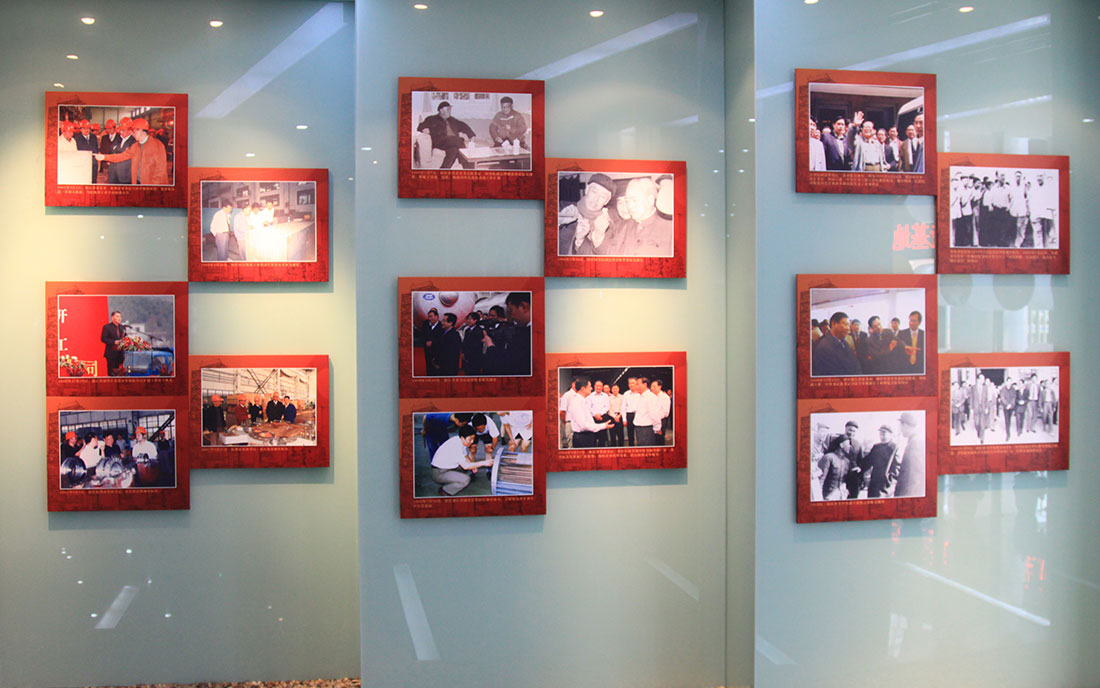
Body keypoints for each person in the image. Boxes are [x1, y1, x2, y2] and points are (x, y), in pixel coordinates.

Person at [94, 117, 168, 185]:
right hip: (137, 182)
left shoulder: (157, 145)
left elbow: (160, 170)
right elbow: (121, 156)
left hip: (150, 184)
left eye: (135, 131)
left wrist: (152, 187)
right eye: (133, 131)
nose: (133, 133)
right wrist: (104, 157)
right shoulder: (135, 146)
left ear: (142, 131)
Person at [558, 173, 614, 256]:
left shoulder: (606, 226)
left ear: (606, 201)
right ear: (587, 189)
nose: (596, 199)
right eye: (594, 192)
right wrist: (558, 223)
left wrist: (580, 240)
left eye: (602, 197)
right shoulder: (562, 207)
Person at [430, 425, 494, 496]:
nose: (472, 441)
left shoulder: (459, 440)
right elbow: (465, 466)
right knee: (466, 479)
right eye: (470, 439)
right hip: (439, 473)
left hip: (446, 468)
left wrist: (472, 465)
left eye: (473, 439)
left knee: (467, 468)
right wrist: (484, 463)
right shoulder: (456, 446)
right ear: (462, 438)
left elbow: (465, 455)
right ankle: (445, 490)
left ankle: (453, 479)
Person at [620, 177, 673, 256]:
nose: (629, 206)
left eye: (634, 200)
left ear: (650, 200)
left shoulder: (670, 229)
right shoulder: (623, 227)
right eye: (627, 201)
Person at [416, 101, 476, 170]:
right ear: (441, 110)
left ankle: (443, 170)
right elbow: (420, 126)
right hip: (440, 141)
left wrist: (471, 136)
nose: (450, 111)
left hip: (452, 143)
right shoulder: (431, 119)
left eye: (450, 109)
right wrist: (424, 129)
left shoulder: (453, 120)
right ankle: (469, 167)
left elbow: (464, 126)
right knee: (459, 140)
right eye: (448, 109)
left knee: (453, 150)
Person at [483, 292, 531, 376]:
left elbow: (509, 361)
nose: (511, 316)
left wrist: (490, 345)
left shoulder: (518, 333)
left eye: (511, 311)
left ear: (523, 307)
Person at [566, 377, 614, 448]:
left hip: (587, 435)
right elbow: (584, 426)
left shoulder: (582, 401)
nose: (591, 388)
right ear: (583, 389)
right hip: (582, 438)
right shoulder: (577, 403)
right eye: (590, 386)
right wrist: (603, 426)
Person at [811, 312, 860, 376]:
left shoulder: (844, 342)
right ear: (834, 323)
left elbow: (855, 363)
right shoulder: (823, 347)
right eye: (845, 324)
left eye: (848, 325)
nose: (848, 328)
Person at [894, 412, 924, 497]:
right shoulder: (914, 441)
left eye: (901, 426)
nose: (900, 430)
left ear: (905, 425)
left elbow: (913, 476)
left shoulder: (915, 443)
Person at [864, 425, 899, 498]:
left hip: (885, 484)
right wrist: (860, 467)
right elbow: (868, 461)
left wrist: (889, 479)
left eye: (884, 433)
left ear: (890, 435)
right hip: (874, 482)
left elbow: (896, 467)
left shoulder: (894, 447)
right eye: (880, 434)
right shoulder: (876, 447)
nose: (881, 436)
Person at [106, 118, 138, 184]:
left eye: (123, 130)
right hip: (113, 173)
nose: (121, 132)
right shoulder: (118, 139)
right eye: (120, 130)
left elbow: (123, 155)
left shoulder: (134, 142)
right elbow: (111, 150)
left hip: (125, 175)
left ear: (130, 130)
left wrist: (117, 151)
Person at [895, 311, 925, 375]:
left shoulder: (924, 335)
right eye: (910, 320)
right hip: (904, 368)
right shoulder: (901, 333)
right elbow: (897, 351)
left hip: (919, 369)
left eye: (914, 321)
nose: (911, 323)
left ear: (919, 322)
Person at [100, 310, 126, 376]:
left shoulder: (122, 327)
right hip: (111, 353)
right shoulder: (107, 327)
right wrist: (113, 342)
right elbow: (103, 338)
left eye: (120, 316)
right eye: (117, 316)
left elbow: (124, 337)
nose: (119, 318)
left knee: (120, 373)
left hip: (120, 353)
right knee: (112, 373)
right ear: (112, 317)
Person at [587, 380, 611, 447]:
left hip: (603, 417)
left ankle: (602, 448)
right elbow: (588, 407)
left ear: (602, 387)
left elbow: (607, 407)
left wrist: (600, 414)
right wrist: (595, 414)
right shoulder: (590, 396)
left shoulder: (605, 396)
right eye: (597, 386)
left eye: (600, 386)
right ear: (594, 386)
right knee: (593, 436)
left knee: (602, 436)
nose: (598, 387)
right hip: (593, 418)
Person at [420, 308, 442, 375]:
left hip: (437, 351)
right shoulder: (426, 324)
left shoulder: (442, 326)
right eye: (429, 316)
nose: (430, 318)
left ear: (437, 316)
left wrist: (433, 343)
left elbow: (441, 339)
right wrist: (425, 342)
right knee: (428, 366)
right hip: (427, 350)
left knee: (437, 368)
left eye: (431, 316)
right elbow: (422, 335)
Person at [559, 378, 578, 449]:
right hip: (570, 424)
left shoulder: (579, 395)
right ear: (573, 384)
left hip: (578, 425)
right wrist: (566, 423)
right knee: (571, 445)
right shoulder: (567, 395)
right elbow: (562, 412)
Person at [651, 379, 671, 445]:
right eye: (651, 386)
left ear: (660, 386)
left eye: (654, 386)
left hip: (661, 420)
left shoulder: (665, 397)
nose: (652, 388)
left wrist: (656, 418)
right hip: (652, 421)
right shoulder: (651, 397)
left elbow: (665, 412)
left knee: (659, 439)